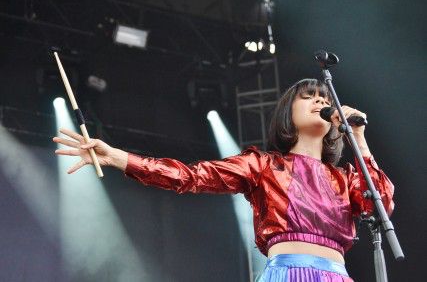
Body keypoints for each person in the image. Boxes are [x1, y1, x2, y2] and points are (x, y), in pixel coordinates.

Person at [53, 78, 394, 282]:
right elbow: (190, 177)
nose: (320, 99)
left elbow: (379, 204)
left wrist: (359, 137)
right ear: (287, 112)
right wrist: (117, 157)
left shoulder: (345, 177)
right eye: (308, 95)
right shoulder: (262, 165)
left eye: (324, 96)